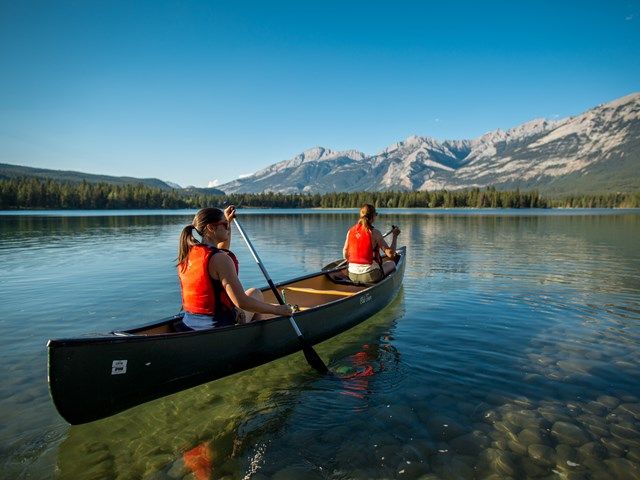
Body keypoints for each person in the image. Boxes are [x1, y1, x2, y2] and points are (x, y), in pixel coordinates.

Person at [176, 205, 294, 330]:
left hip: (189, 322)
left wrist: (228, 220)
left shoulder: (189, 253)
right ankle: (255, 339)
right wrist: (277, 310)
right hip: (218, 325)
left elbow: (221, 251)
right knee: (256, 294)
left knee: (254, 293)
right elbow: (241, 302)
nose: (228, 228)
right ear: (211, 228)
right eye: (225, 225)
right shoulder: (220, 259)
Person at [343, 204, 401, 284]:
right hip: (370, 275)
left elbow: (345, 253)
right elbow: (391, 254)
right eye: (376, 215)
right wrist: (395, 236)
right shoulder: (375, 233)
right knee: (392, 263)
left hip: (352, 275)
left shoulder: (350, 231)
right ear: (372, 217)